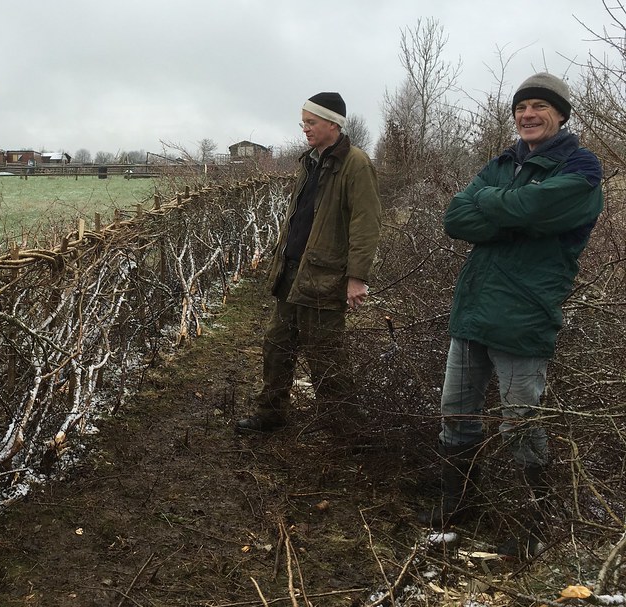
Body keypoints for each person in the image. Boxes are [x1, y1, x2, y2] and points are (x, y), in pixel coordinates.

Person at [419, 72, 604, 557]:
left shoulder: (582, 168)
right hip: (473, 309)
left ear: (561, 114)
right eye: (522, 107)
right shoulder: (501, 162)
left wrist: (493, 207)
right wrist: (514, 215)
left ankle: (537, 520)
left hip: (524, 316)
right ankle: (457, 508)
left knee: (521, 421)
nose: (528, 114)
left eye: (540, 106)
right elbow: (456, 218)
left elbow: (527, 206)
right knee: (456, 413)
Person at [236, 92, 382, 434]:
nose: (305, 128)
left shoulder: (355, 163)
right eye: (303, 122)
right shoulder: (310, 161)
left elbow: (366, 222)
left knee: (325, 355)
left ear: (334, 124)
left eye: (311, 122)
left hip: (324, 276)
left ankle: (344, 428)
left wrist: (357, 276)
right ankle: (271, 414)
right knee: (277, 345)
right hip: (292, 271)